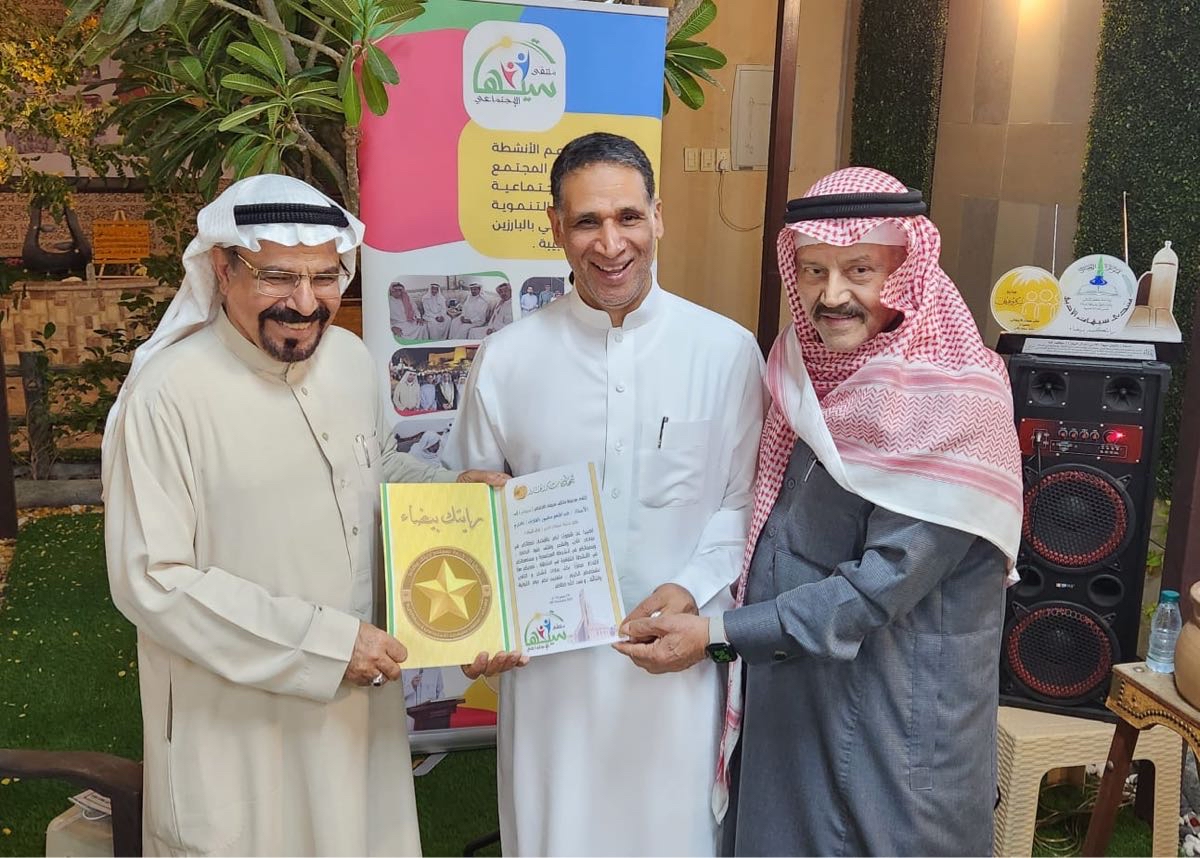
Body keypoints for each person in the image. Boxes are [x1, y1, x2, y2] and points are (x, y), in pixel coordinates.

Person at [616, 167, 1024, 857]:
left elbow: (871, 593)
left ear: (906, 271)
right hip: (796, 704)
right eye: (813, 271)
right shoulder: (804, 372)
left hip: (893, 730)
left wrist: (716, 634)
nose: (832, 295)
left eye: (860, 270)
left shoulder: (957, 404)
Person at [101, 174, 505, 856]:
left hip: (358, 703)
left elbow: (373, 467)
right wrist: (325, 644)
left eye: (324, 277)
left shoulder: (349, 360)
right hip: (235, 718)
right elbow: (152, 579)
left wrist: (454, 492)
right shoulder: (167, 396)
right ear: (223, 268)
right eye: (278, 277)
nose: (305, 303)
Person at [442, 132, 765, 856]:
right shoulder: (507, 359)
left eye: (628, 217)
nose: (611, 244)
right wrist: (473, 626)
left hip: (678, 667)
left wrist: (691, 588)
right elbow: (467, 507)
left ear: (659, 217)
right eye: (587, 221)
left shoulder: (725, 352)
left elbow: (743, 502)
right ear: (556, 227)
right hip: (549, 684)